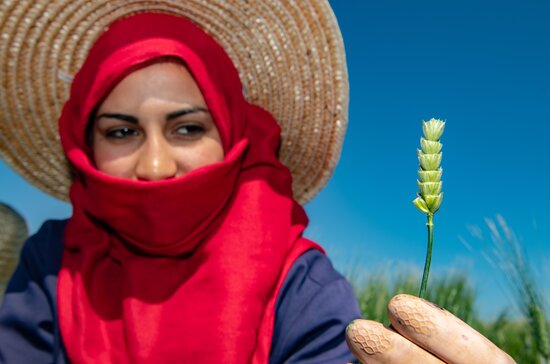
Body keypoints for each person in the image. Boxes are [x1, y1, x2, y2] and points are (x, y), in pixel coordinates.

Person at [0, 2, 515, 364]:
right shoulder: (49, 263)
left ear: (233, 138)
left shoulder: (301, 286)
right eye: (121, 131)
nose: (155, 167)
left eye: (187, 128)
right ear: (84, 146)